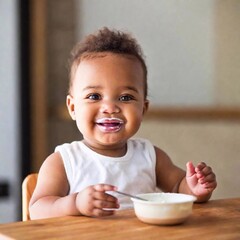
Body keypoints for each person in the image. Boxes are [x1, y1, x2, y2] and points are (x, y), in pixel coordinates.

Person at [29, 27, 217, 219]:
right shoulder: (64, 160)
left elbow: (179, 189)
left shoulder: (150, 156)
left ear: (143, 109)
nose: (110, 107)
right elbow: (36, 210)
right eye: (94, 96)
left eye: (126, 97)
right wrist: (75, 203)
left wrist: (195, 188)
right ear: (72, 107)